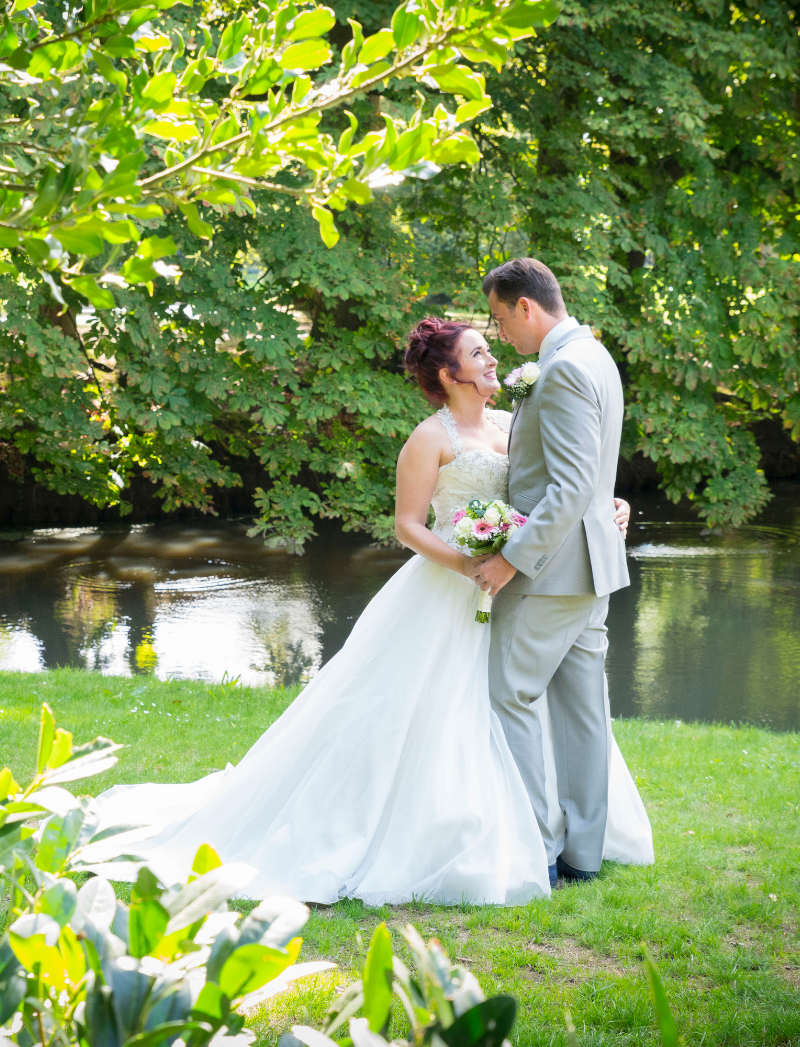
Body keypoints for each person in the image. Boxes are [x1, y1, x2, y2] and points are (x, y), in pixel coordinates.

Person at [84, 312, 652, 906]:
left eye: (490, 349)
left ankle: (534, 830)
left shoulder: (515, 423)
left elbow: (559, 483)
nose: (492, 361)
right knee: (430, 710)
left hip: (514, 583)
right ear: (448, 372)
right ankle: (443, 830)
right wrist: (465, 563)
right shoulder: (430, 438)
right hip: (452, 585)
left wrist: (605, 505)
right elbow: (408, 526)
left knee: (508, 702)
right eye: (478, 353)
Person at [471, 256, 632, 885]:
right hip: (593, 569)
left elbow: (567, 489)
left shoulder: (562, 369)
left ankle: (534, 847)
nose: (501, 335)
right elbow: (593, 478)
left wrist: (511, 560)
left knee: (509, 695)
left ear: (527, 308)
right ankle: (581, 857)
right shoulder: (596, 356)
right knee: (583, 712)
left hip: (553, 573)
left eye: (500, 320)